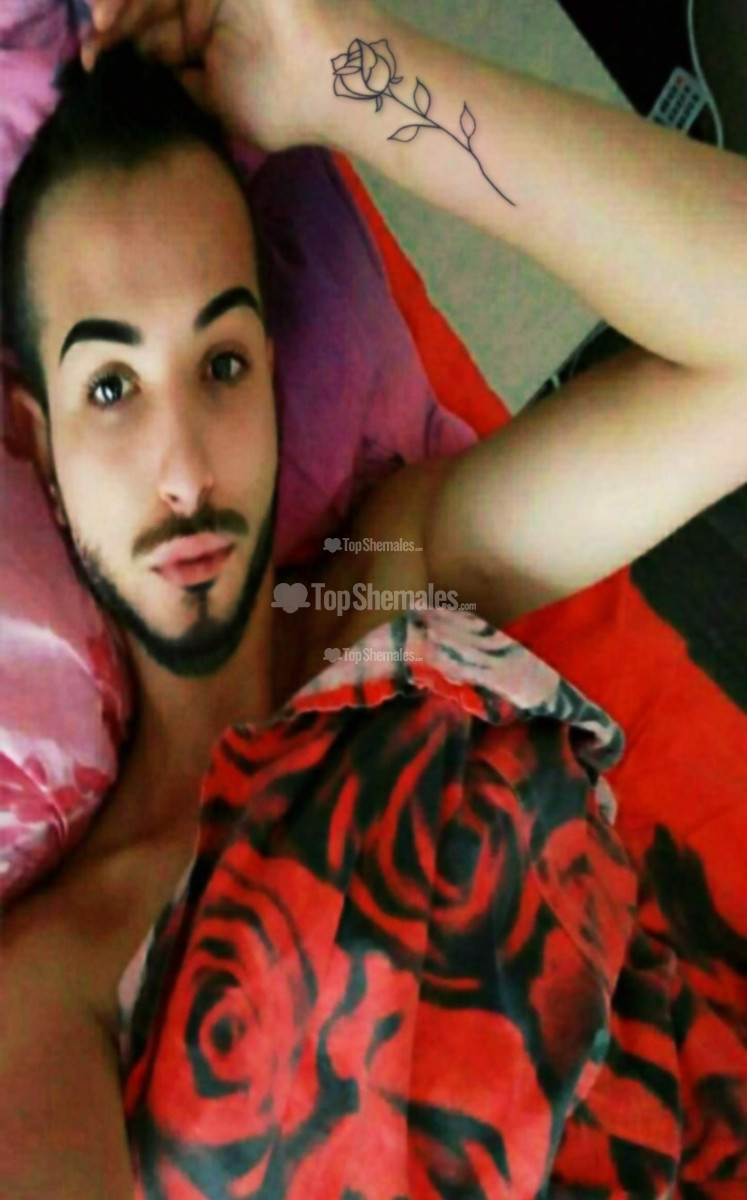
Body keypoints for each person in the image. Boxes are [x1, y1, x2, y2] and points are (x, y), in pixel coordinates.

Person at [1, 1, 746, 1196]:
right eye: (110, 389)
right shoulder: (53, 984)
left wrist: (331, 72)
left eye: (223, 364)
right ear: (32, 439)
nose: (185, 469)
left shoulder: (390, 575)